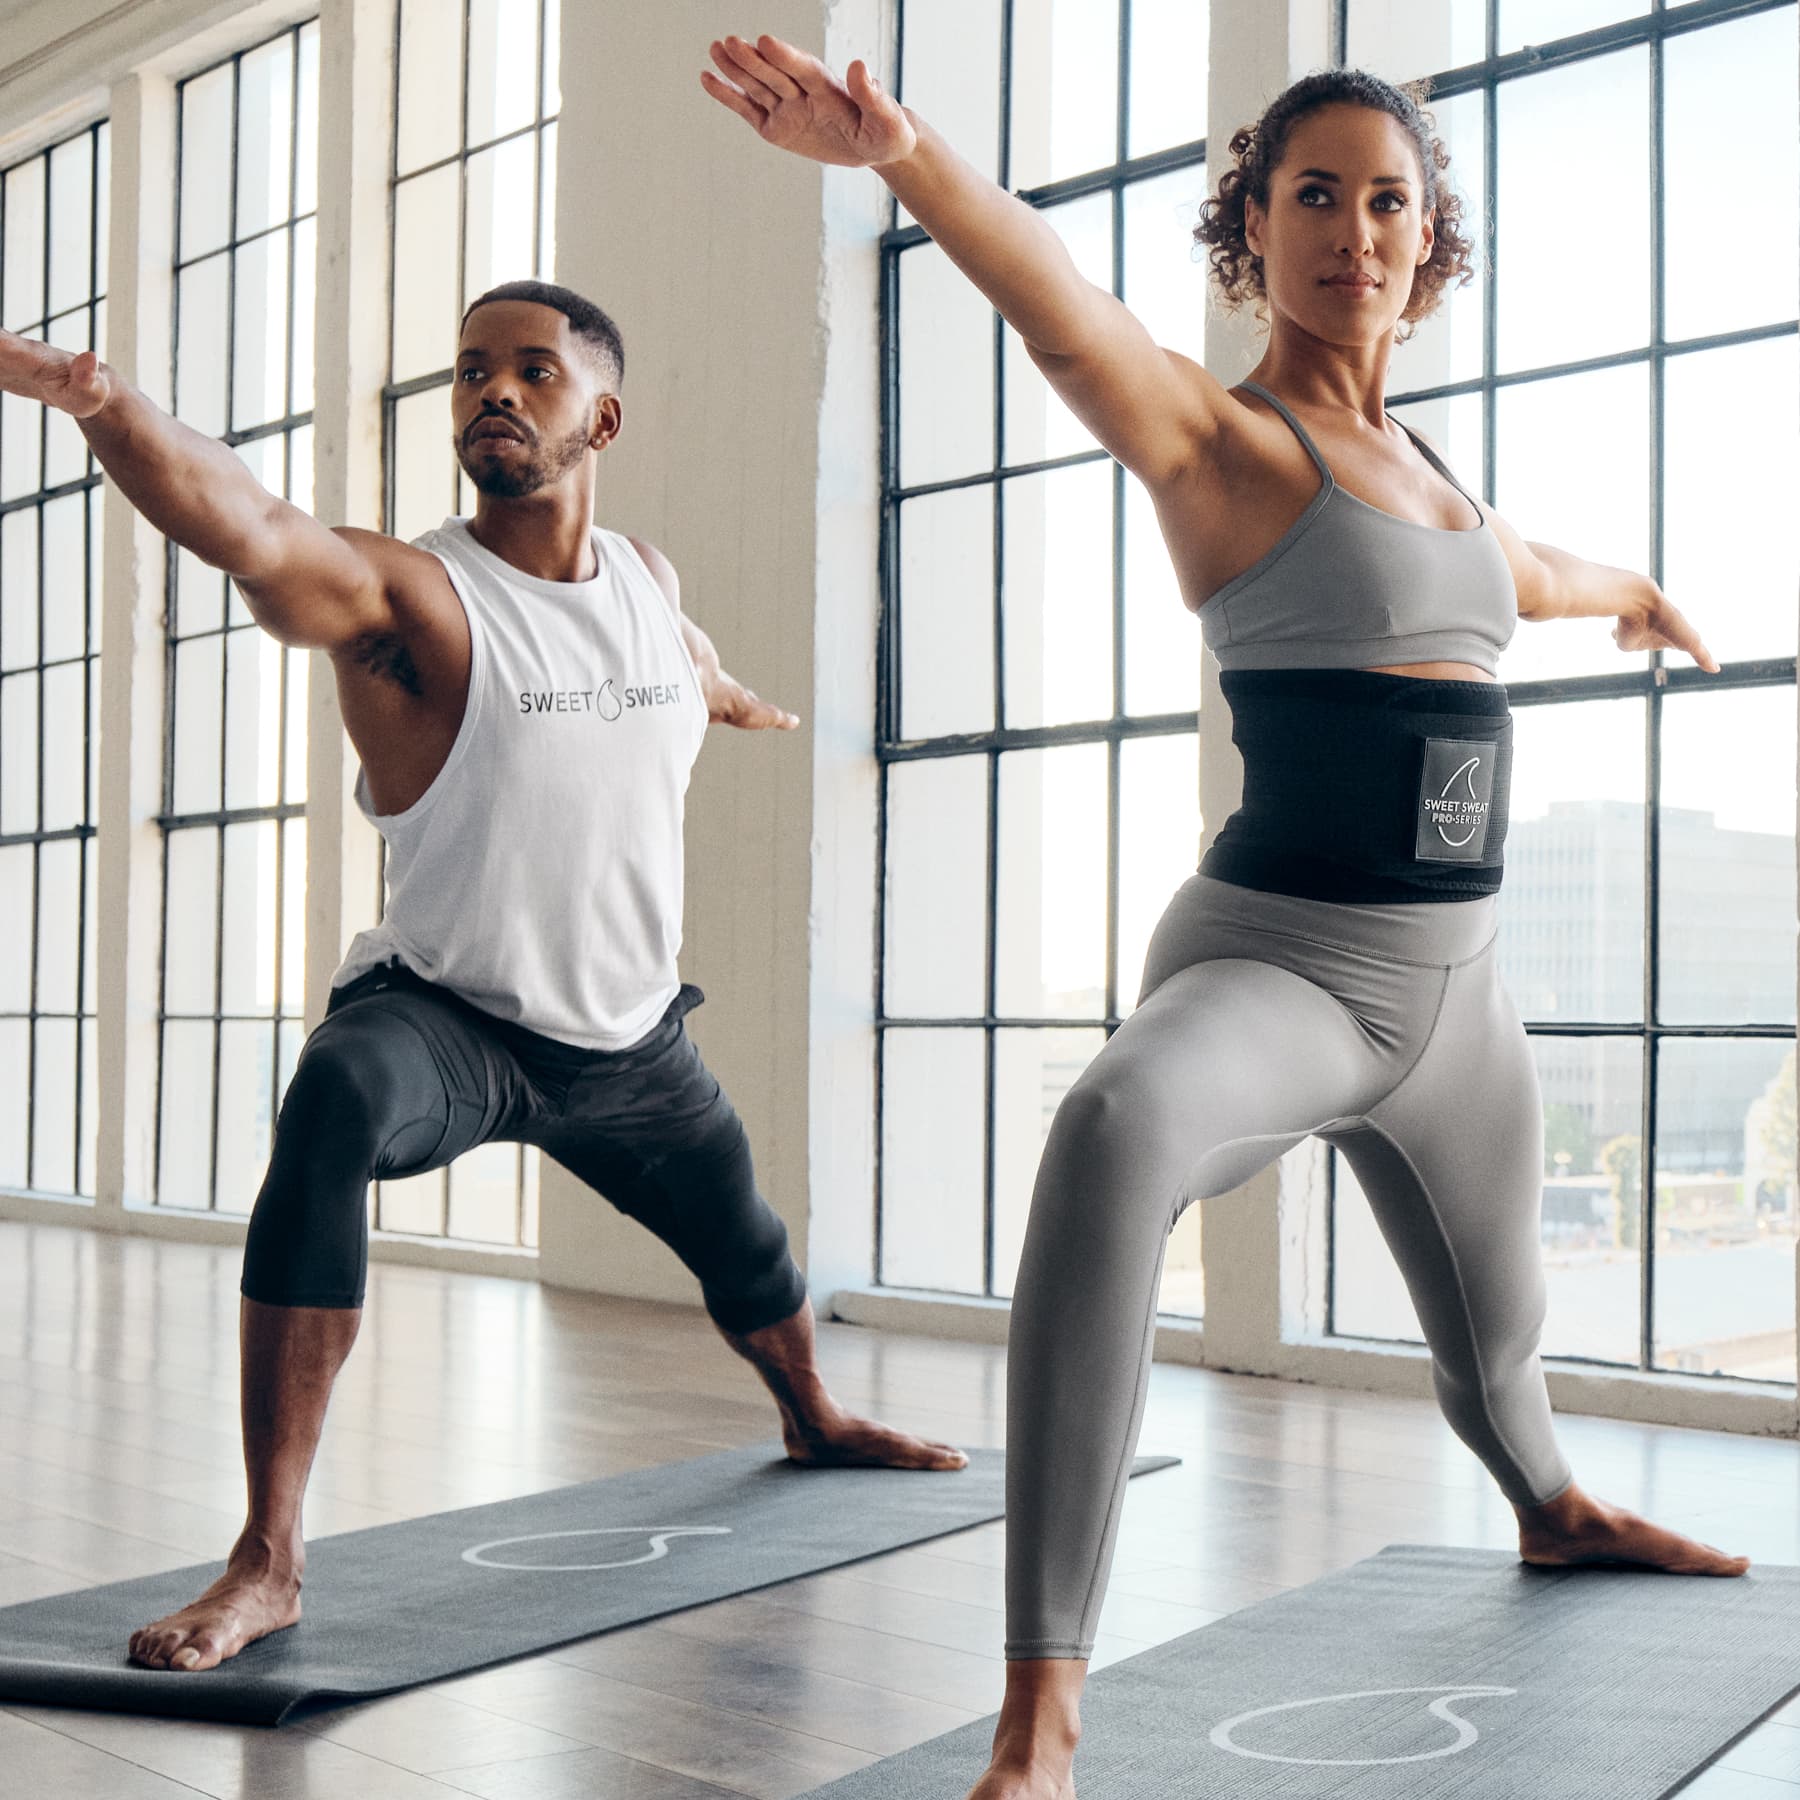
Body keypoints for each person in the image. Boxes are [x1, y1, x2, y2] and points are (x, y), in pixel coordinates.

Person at [703, 39, 1749, 1800]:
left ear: (1435, 245)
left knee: (1497, 1358)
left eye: (1390, 199)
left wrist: (1633, 592)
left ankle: (1556, 1515)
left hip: (1461, 1006)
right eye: (1314, 195)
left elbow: (1528, 577)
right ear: (1252, 234)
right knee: (1113, 1127)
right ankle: (1043, 1704)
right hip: (1283, 969)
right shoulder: (1226, 441)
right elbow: (1064, 319)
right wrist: (906, 156)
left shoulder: (1440, 478)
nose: (1356, 227)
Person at [0, 276, 967, 1675]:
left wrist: (733, 691)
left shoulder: (650, 576)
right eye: (470, 373)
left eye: (530, 371)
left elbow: (670, 665)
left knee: (747, 1244)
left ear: (603, 416)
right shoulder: (410, 595)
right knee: (333, 1094)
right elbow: (252, 526)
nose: (493, 393)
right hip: (450, 1020)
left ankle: (811, 1411)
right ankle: (269, 1557)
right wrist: (108, 406)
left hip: (630, 1040)